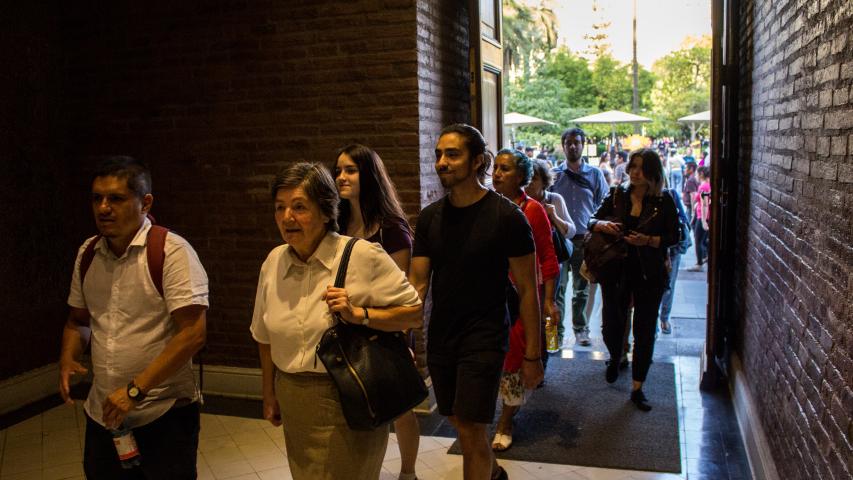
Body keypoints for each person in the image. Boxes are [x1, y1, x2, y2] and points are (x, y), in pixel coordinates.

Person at [251, 162, 422, 480]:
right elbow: (263, 334)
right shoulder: (273, 261)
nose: (288, 217)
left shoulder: (363, 256)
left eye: (299, 207)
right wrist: (269, 393)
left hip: (349, 395)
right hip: (293, 396)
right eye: (280, 207)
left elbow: (413, 312)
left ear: (327, 211)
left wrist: (361, 315)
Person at [59, 156, 209, 479]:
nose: (103, 208)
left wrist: (134, 391)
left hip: (163, 414)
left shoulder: (172, 251)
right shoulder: (88, 253)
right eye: (97, 198)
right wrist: (68, 357)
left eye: (116, 198)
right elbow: (78, 321)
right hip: (104, 415)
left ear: (146, 203)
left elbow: (193, 334)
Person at [408, 124, 543, 480]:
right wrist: (403, 334)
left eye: (452, 154)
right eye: (439, 154)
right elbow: (417, 284)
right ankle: (494, 473)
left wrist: (533, 354)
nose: (441, 162)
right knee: (457, 419)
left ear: (478, 161)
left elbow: (529, 289)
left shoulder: (507, 217)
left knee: (469, 428)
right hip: (442, 335)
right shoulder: (430, 218)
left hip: (485, 336)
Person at [332, 144, 421, 480]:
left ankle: (409, 473)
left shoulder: (391, 228)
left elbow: (402, 293)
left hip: (385, 327)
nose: (341, 176)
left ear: (368, 175)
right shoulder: (336, 223)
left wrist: (403, 339)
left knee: (400, 408)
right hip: (346, 326)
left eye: (350, 170)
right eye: (338, 169)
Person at [589, 148, 679, 411]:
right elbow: (590, 219)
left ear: (652, 172)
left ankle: (638, 387)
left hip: (649, 273)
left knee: (645, 330)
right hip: (616, 269)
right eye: (632, 167)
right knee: (611, 323)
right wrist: (602, 225)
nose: (635, 172)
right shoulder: (617, 195)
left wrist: (648, 241)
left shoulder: (665, 201)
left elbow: (675, 237)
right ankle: (616, 356)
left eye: (641, 168)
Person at [491, 149, 560, 452]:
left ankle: (505, 422)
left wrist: (549, 300)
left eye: (504, 169)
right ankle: (505, 410)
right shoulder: (487, 207)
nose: (496, 173)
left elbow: (547, 256)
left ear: (521, 176)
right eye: (494, 167)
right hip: (490, 297)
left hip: (521, 297)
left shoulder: (532, 210)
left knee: (513, 360)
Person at [548, 127, 609, 347]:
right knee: (559, 288)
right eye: (569, 143)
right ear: (563, 146)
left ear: (583, 145)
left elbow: (604, 204)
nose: (573, 146)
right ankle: (558, 333)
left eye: (577, 142)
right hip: (560, 239)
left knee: (581, 288)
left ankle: (581, 329)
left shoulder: (594, 174)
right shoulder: (555, 175)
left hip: (584, 239)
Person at [525, 160, 576, 346]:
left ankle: (552, 342)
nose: (530, 182)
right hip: (527, 264)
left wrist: (553, 216)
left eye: (534, 178)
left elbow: (571, 231)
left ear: (544, 181)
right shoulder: (519, 202)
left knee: (551, 302)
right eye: (527, 177)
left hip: (550, 262)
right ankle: (534, 345)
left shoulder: (554, 200)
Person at [659, 177, 693, 334]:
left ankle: (664, 318)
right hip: (654, 248)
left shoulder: (671, 194)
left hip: (672, 248)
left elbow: (684, 220)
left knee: (668, 284)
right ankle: (659, 319)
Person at [688, 166, 711, 272]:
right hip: (701, 216)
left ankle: (699, 263)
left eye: (697, 174)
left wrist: (703, 221)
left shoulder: (704, 187)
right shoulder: (707, 185)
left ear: (701, 174)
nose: (696, 176)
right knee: (702, 240)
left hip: (702, 216)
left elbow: (704, 204)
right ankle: (705, 258)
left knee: (698, 241)